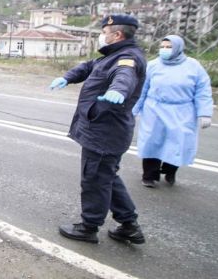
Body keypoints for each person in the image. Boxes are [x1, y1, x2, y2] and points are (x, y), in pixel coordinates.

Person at [49, 14, 147, 244]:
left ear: (117, 34)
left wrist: (119, 91)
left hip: (105, 132)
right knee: (107, 177)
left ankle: (89, 226)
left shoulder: (127, 58)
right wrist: (67, 77)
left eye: (104, 32)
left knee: (94, 179)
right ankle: (129, 224)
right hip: (103, 129)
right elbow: (87, 67)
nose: (102, 36)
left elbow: (124, 76)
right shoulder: (111, 56)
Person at [132, 35, 213, 188]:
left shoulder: (193, 66)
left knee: (177, 143)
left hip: (182, 110)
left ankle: (170, 171)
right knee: (152, 142)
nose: (164, 50)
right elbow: (142, 89)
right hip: (155, 109)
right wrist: (134, 109)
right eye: (162, 46)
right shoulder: (153, 65)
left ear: (178, 48)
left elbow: (203, 91)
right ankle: (149, 175)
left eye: (169, 47)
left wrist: (205, 112)